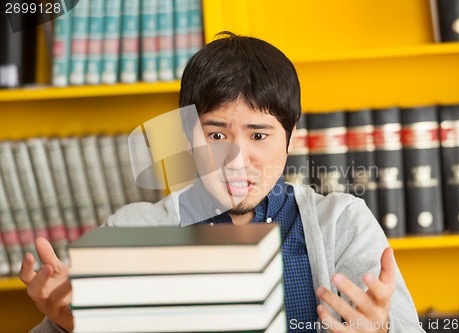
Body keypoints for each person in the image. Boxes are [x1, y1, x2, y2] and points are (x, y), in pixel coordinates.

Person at [20, 32, 425, 333]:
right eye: (216, 135)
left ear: (291, 135)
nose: (236, 161)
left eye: (259, 135)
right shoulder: (131, 231)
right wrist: (67, 325)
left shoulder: (341, 224)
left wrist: (383, 328)